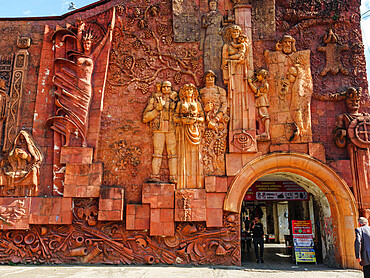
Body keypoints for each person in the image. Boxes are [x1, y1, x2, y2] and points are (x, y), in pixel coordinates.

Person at [143, 81, 178, 183]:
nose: (166, 89)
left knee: (172, 154)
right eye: (164, 87)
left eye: (168, 87)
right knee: (157, 153)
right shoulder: (154, 100)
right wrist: (157, 109)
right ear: (161, 88)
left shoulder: (175, 100)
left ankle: (173, 176)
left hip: (171, 129)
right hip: (158, 129)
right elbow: (145, 118)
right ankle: (155, 175)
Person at [174, 84, 205, 189]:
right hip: (183, 131)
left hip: (194, 131)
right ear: (184, 92)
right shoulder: (180, 104)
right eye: (187, 90)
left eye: (191, 90)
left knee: (196, 156)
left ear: (194, 92)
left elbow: (202, 118)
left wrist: (195, 120)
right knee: (183, 156)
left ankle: (196, 183)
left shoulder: (198, 104)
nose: (189, 92)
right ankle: (182, 184)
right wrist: (182, 120)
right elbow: (175, 117)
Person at [247, 69, 270, 141]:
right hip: (259, 102)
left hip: (262, 102)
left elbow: (257, 91)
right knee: (261, 117)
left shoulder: (265, 85)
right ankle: (262, 131)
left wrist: (250, 83)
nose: (257, 77)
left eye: (258, 75)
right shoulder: (262, 84)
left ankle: (266, 132)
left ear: (262, 76)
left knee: (265, 116)